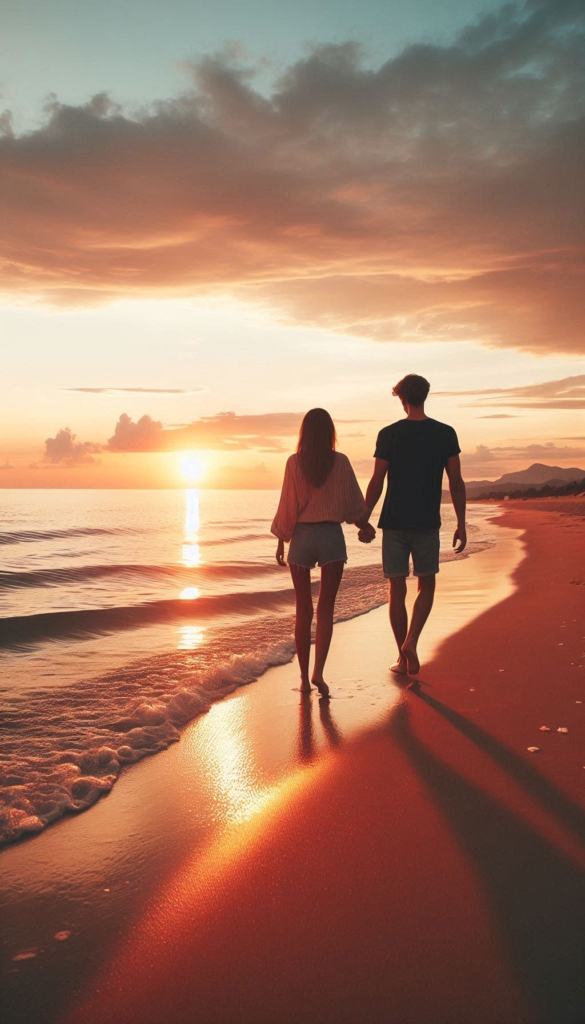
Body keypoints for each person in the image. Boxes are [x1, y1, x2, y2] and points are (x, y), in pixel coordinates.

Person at [361, 374, 466, 677]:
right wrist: (461, 522)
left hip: (393, 522)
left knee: (397, 589)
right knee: (427, 583)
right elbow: (456, 482)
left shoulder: (389, 434)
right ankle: (412, 642)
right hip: (426, 523)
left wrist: (364, 517)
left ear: (401, 398)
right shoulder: (445, 433)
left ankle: (402, 657)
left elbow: (377, 481)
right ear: (425, 395)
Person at [272, 408, 375, 698]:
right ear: (330, 432)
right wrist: (365, 526)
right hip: (331, 536)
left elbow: (288, 505)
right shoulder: (340, 462)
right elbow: (353, 503)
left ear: (304, 432)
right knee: (326, 610)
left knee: (302, 611)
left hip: (302, 538)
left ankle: (304, 679)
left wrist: (282, 539)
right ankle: (319, 671)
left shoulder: (294, 463)